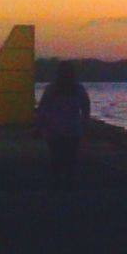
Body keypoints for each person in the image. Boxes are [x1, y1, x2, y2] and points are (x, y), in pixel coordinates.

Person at [36, 61, 91, 190]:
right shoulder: (78, 89)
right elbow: (86, 108)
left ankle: (58, 184)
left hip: (54, 129)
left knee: (56, 157)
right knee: (71, 158)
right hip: (73, 129)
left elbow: (43, 109)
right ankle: (69, 184)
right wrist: (85, 125)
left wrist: (39, 127)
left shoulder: (51, 89)